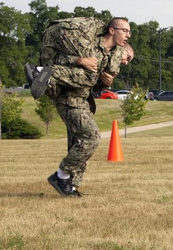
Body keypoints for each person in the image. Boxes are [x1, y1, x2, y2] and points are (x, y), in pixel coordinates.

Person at [25, 17, 132, 197]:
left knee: (78, 143)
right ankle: (61, 175)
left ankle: (71, 186)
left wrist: (105, 83)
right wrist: (80, 60)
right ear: (113, 31)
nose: (126, 62)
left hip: (80, 100)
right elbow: (58, 59)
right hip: (69, 100)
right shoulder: (88, 44)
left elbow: (90, 84)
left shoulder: (108, 61)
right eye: (127, 57)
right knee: (91, 138)